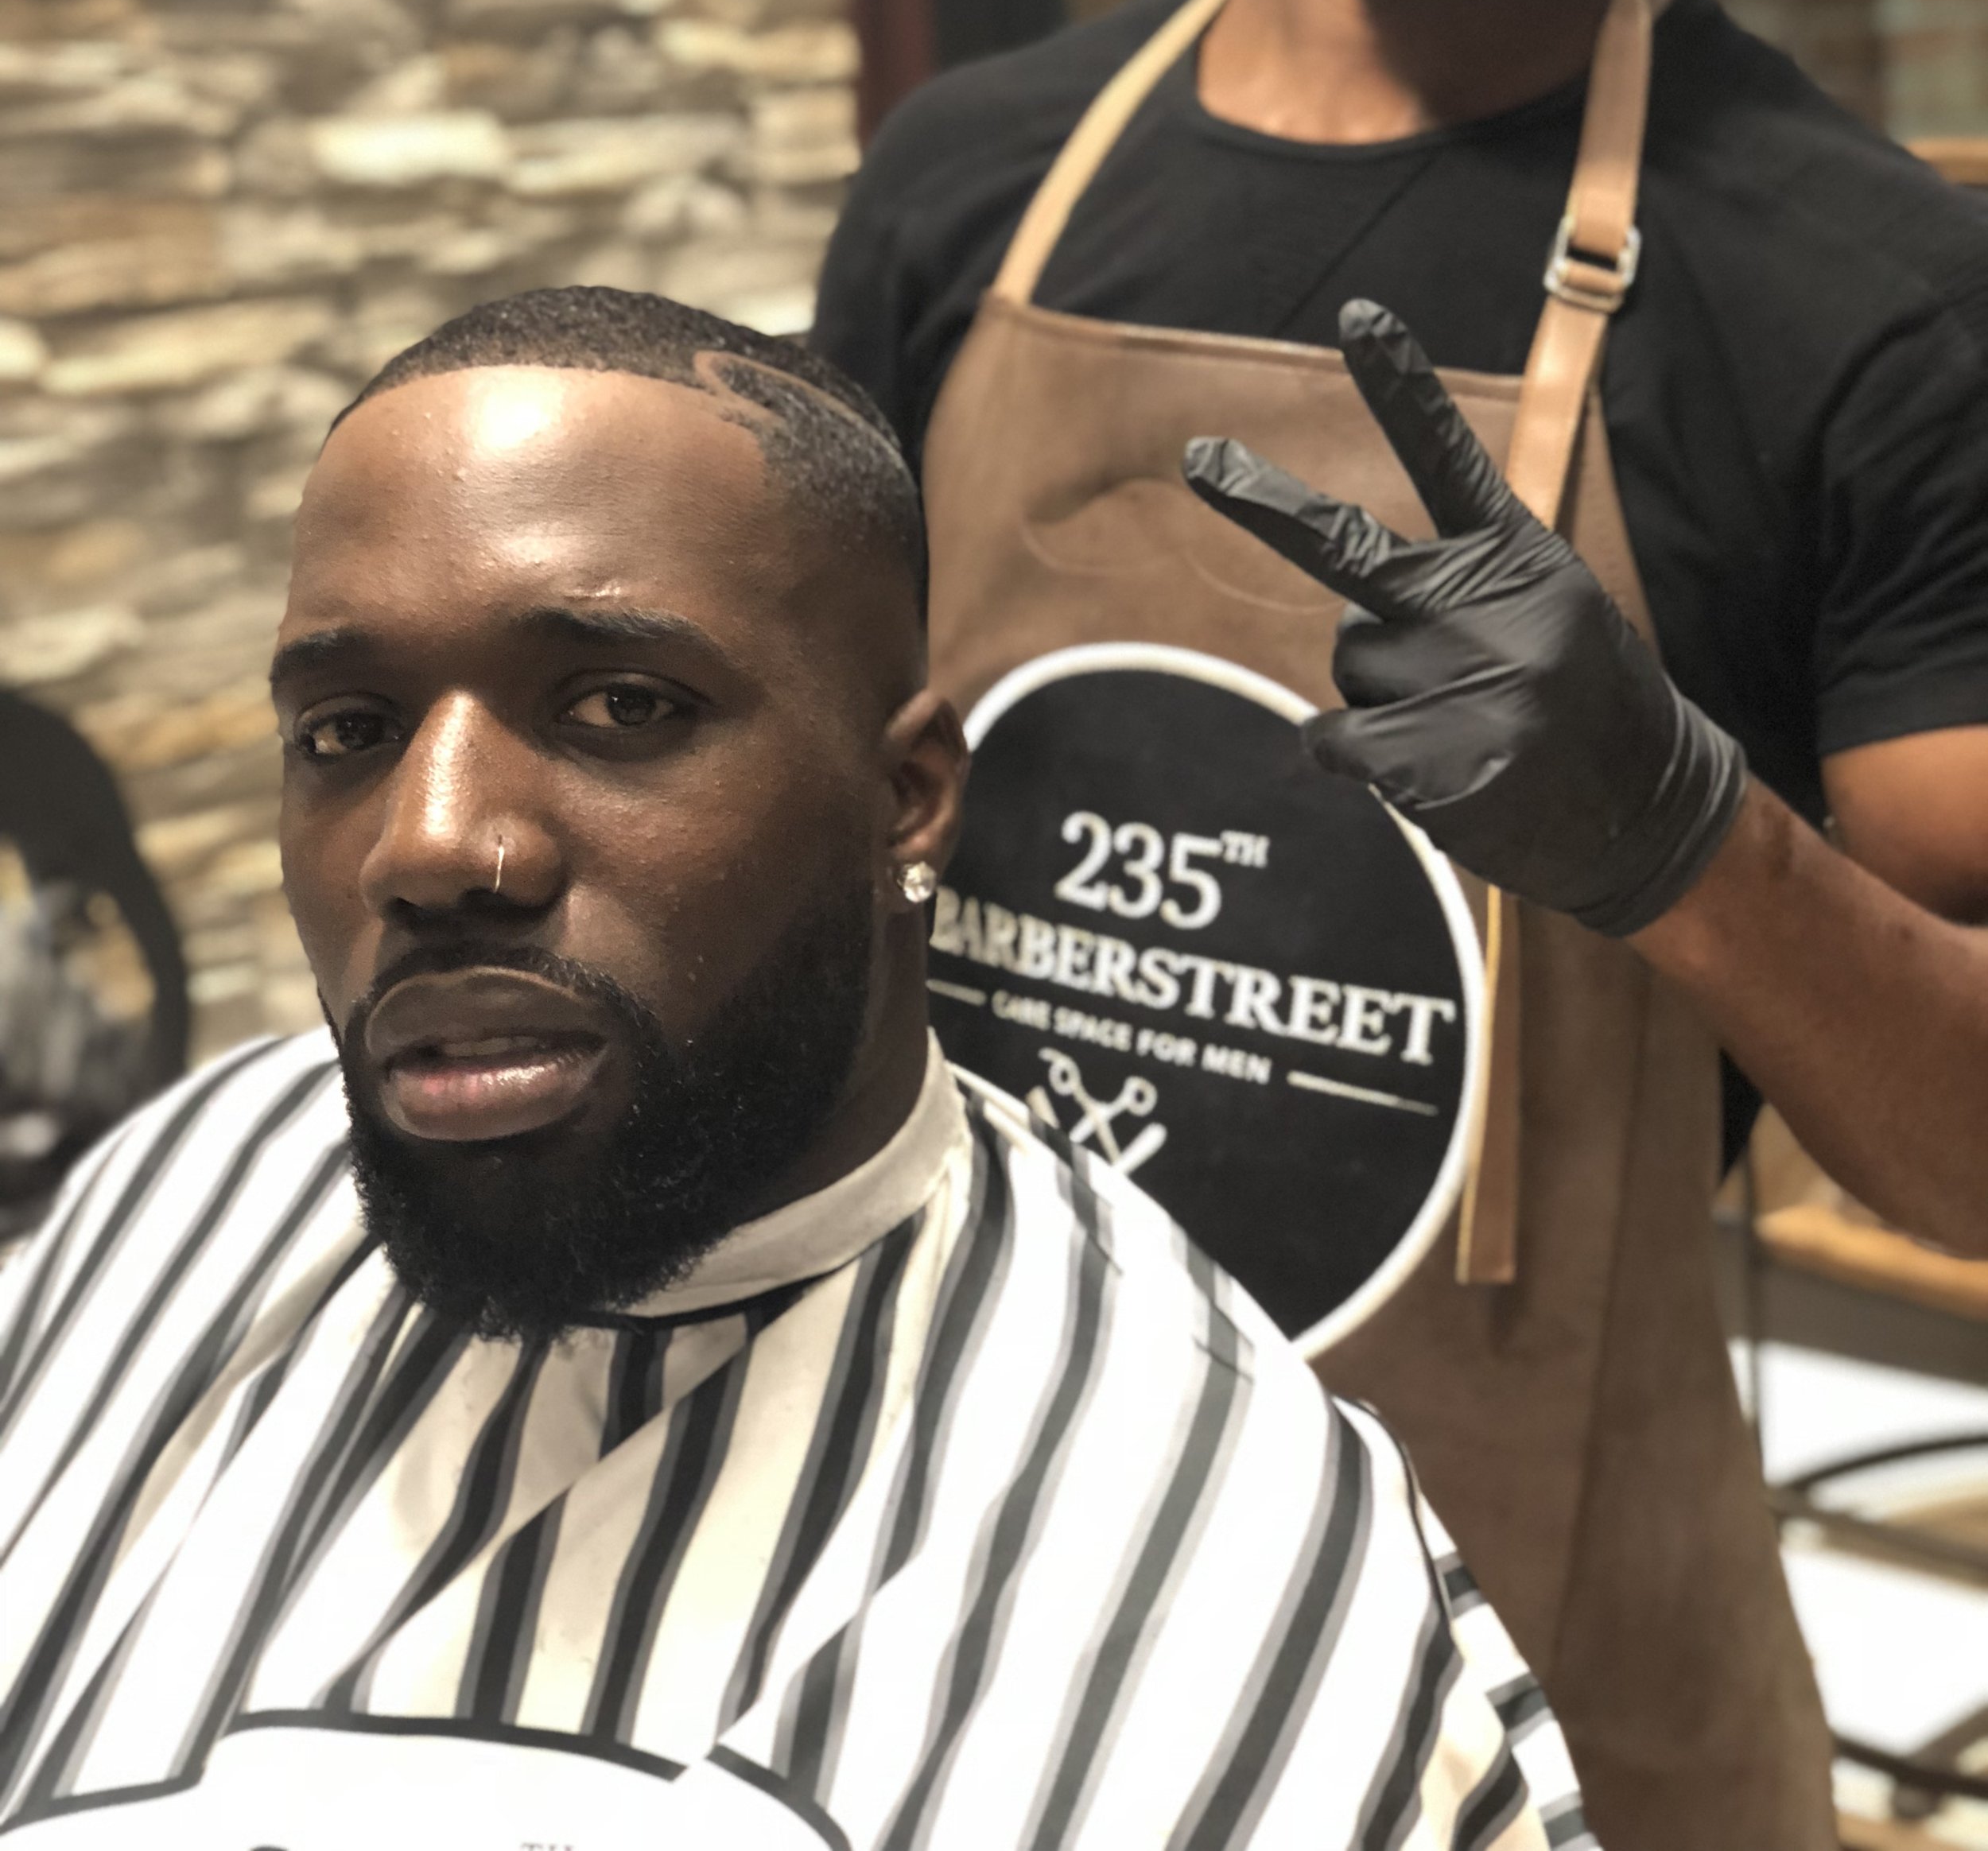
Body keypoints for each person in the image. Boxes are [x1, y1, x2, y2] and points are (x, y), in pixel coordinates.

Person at [812, 0, 1988, 1845]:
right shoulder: (967, 189)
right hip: (965, 1593)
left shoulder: (1865, 297)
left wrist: (1686, 836)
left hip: (1537, 1695)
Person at [0, 288, 1584, 1851]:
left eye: (621, 704)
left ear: (904, 797)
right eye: (346, 728)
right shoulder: (183, 1182)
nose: (431, 844)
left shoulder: (1204, 1548)